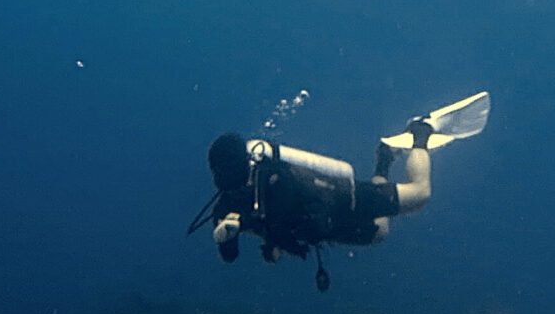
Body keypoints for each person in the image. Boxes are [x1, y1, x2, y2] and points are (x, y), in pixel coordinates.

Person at [193, 92, 489, 290]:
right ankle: (384, 160)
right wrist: (224, 237)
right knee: (380, 233)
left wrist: (248, 226)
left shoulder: (271, 177)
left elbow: (282, 214)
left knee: (420, 195)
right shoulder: (225, 207)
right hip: (328, 229)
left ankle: (421, 131)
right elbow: (231, 255)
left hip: (343, 200)